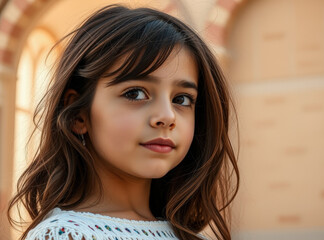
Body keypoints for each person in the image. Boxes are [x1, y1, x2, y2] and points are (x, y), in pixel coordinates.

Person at [8, 4, 239, 240]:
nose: (167, 116)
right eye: (135, 94)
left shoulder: (189, 235)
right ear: (78, 115)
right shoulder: (65, 235)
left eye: (181, 99)